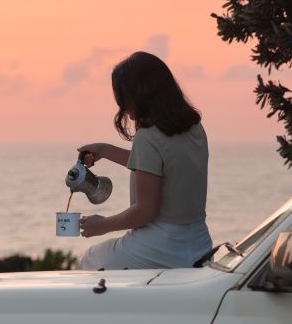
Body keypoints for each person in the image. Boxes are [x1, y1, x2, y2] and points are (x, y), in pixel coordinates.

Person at [76, 51, 211, 270]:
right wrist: (105, 150)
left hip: (161, 246)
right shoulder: (194, 127)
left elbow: (145, 211)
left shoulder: (147, 136)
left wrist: (102, 225)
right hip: (199, 244)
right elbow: (162, 168)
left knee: (91, 260)